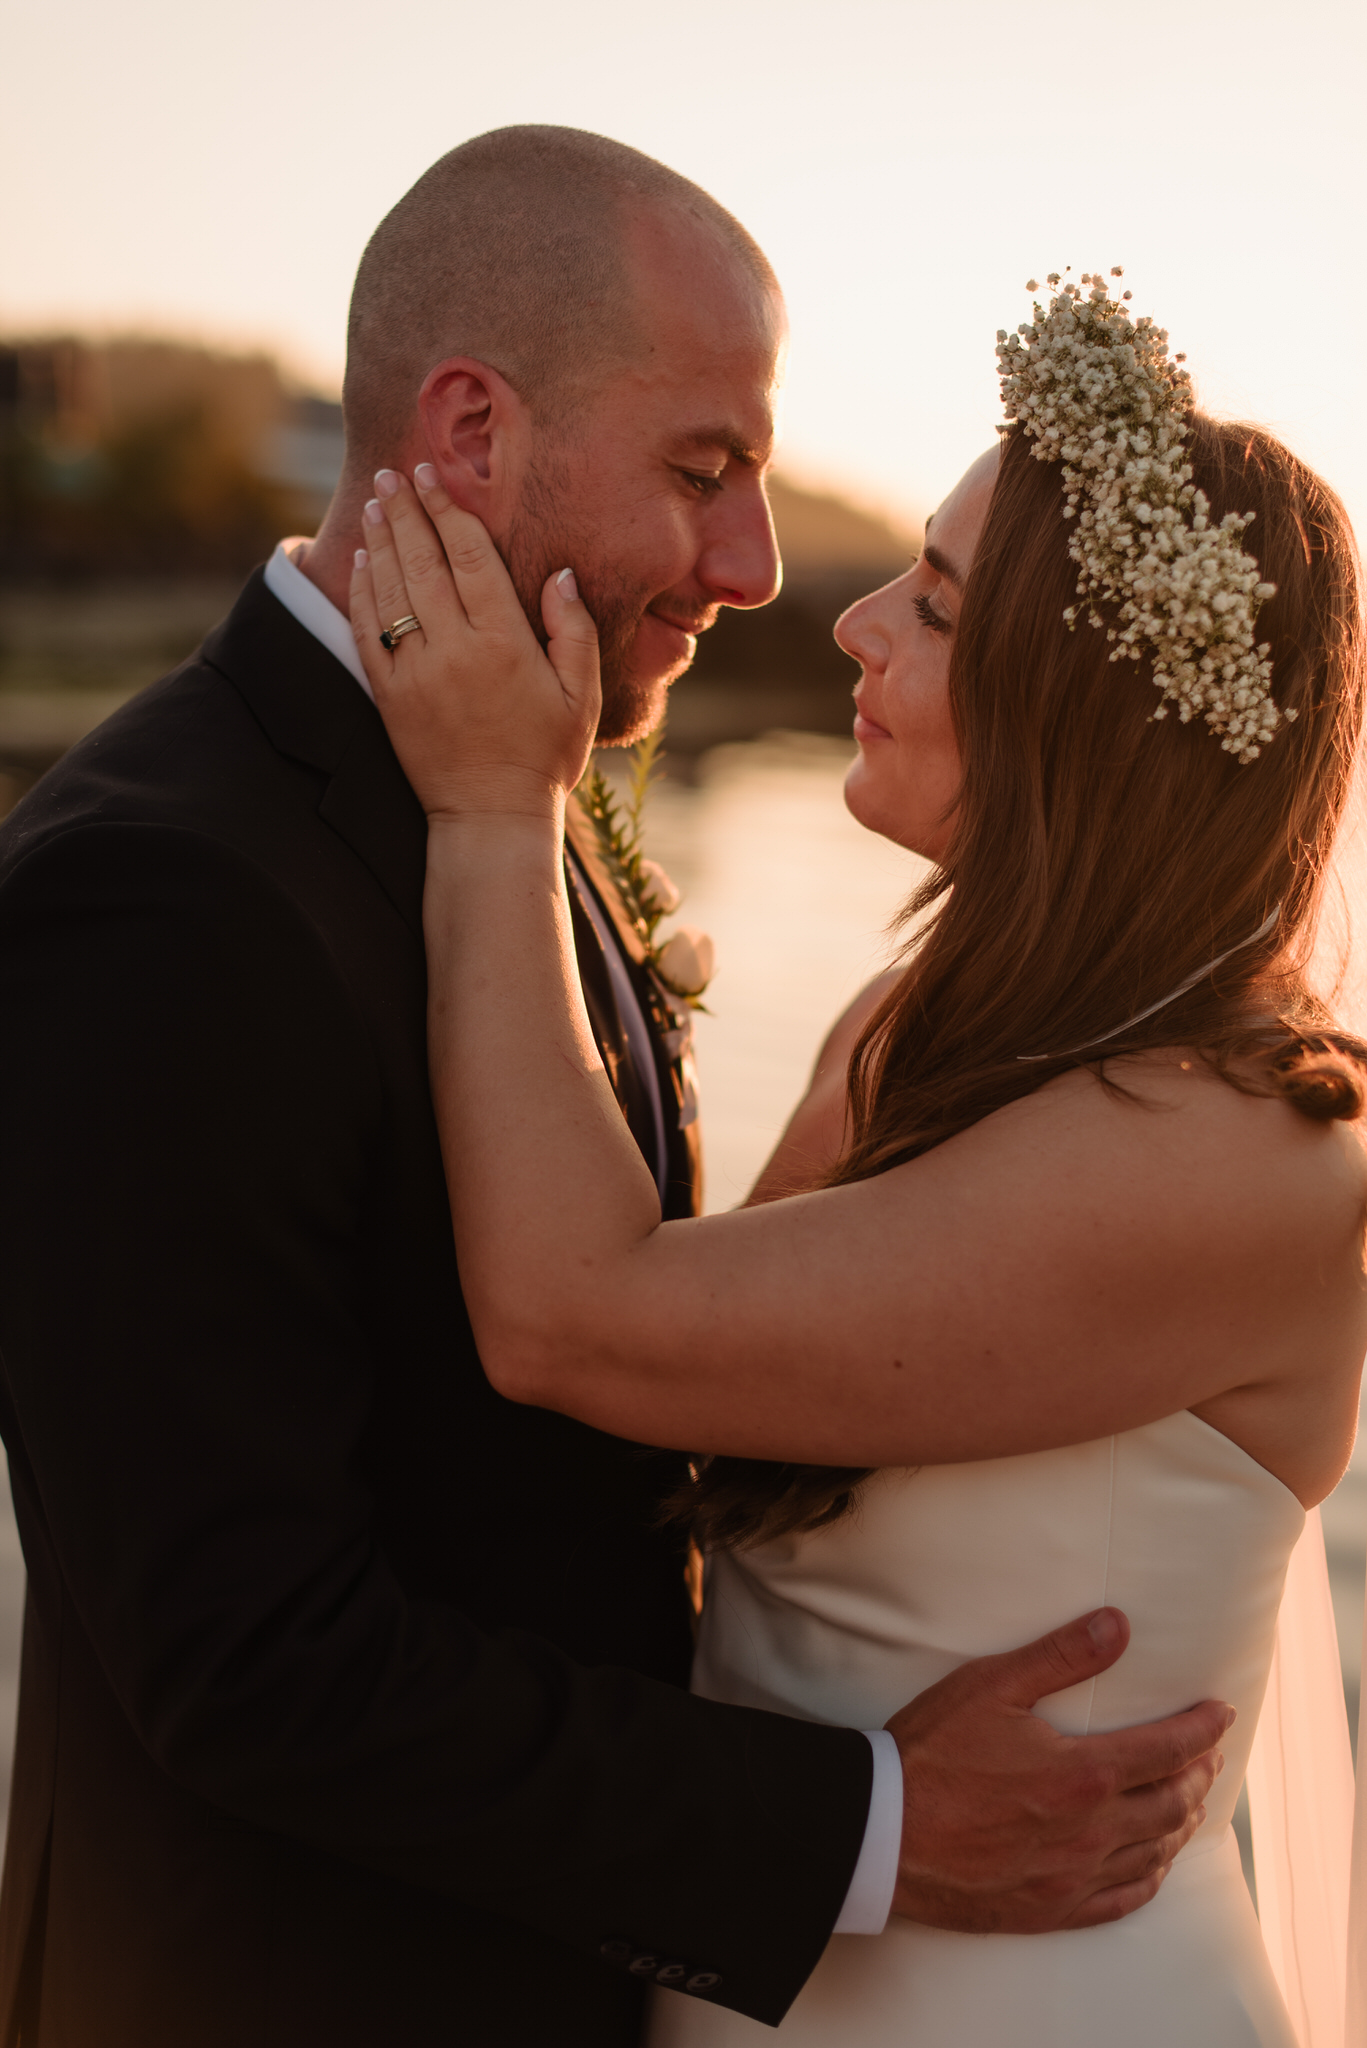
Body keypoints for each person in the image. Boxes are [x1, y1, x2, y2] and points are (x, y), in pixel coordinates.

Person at [0, 132, 1223, 2047]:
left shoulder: (510, 763)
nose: (752, 567)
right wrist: (873, 1826)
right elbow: (250, 1664)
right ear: (471, 431)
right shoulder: (161, 887)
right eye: (700, 473)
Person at [351, 268, 1367, 2046]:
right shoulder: (925, 1025)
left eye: (941, 605)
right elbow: (684, 1435)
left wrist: (494, 808)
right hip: (800, 1967)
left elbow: (577, 1324)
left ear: (1083, 710)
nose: (855, 627)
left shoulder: (1246, 1147)